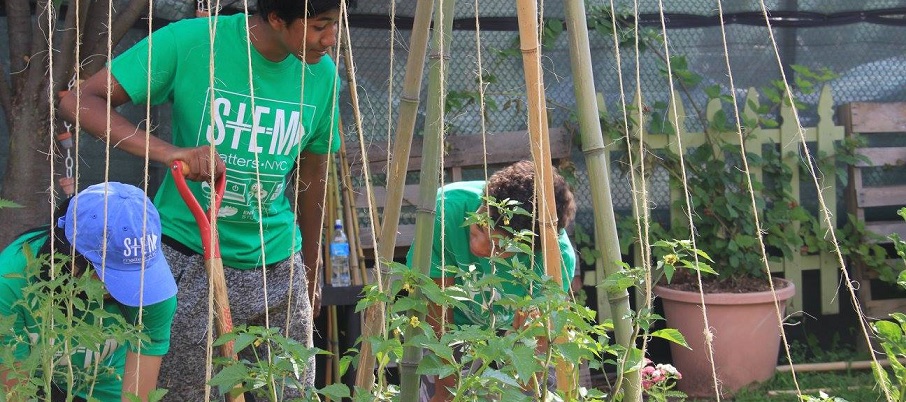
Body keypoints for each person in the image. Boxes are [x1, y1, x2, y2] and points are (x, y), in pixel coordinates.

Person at [59, 0, 352, 398]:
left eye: (334, 25)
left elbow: (313, 177)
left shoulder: (322, 77)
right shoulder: (195, 43)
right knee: (187, 393)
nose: (331, 39)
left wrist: (311, 271)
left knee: (288, 392)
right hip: (185, 259)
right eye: (320, 26)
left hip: (278, 268)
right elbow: (79, 101)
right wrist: (169, 152)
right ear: (276, 17)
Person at [407, 160, 577, 401]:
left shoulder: (555, 259)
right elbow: (437, 306)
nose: (479, 246)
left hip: (515, 339)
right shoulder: (446, 210)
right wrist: (445, 387)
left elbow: (535, 349)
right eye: (478, 228)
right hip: (457, 332)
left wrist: (520, 389)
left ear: (529, 247)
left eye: (499, 246)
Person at [0, 182, 178, 402]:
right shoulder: (12, 278)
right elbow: (15, 393)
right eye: (113, 275)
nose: (135, 290)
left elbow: (137, 397)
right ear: (70, 258)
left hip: (105, 390)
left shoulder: (154, 291)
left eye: (136, 274)